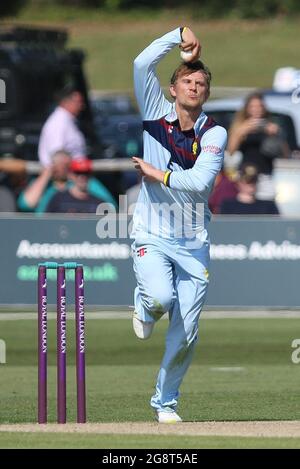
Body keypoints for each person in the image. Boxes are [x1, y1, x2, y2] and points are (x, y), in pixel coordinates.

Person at [130, 27, 227, 423]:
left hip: (192, 241)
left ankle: (165, 402)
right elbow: (141, 63)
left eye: (201, 83)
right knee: (159, 299)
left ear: (206, 93)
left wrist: (160, 174)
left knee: (186, 332)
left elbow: (201, 184)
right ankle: (143, 303)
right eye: (187, 80)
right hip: (151, 233)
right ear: (173, 89)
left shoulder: (213, 132)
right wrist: (178, 34)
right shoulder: (153, 111)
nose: (194, 86)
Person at [227, 92, 289, 200]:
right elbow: (230, 151)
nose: (257, 109)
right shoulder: (240, 126)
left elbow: (285, 154)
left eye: (260, 106)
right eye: (253, 106)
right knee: (245, 208)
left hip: (265, 175)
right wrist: (241, 132)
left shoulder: (271, 126)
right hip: (245, 177)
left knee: (266, 207)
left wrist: (276, 134)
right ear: (247, 109)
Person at [18, 150, 116, 213]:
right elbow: (26, 204)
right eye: (57, 165)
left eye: (67, 166)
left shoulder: (85, 181)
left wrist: (74, 178)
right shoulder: (43, 184)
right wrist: (46, 174)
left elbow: (110, 207)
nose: (62, 169)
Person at [38, 86, 87, 167]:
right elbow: (57, 155)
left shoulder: (67, 120)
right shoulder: (58, 122)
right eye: (78, 102)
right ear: (65, 102)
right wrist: (74, 178)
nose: (82, 106)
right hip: (64, 175)